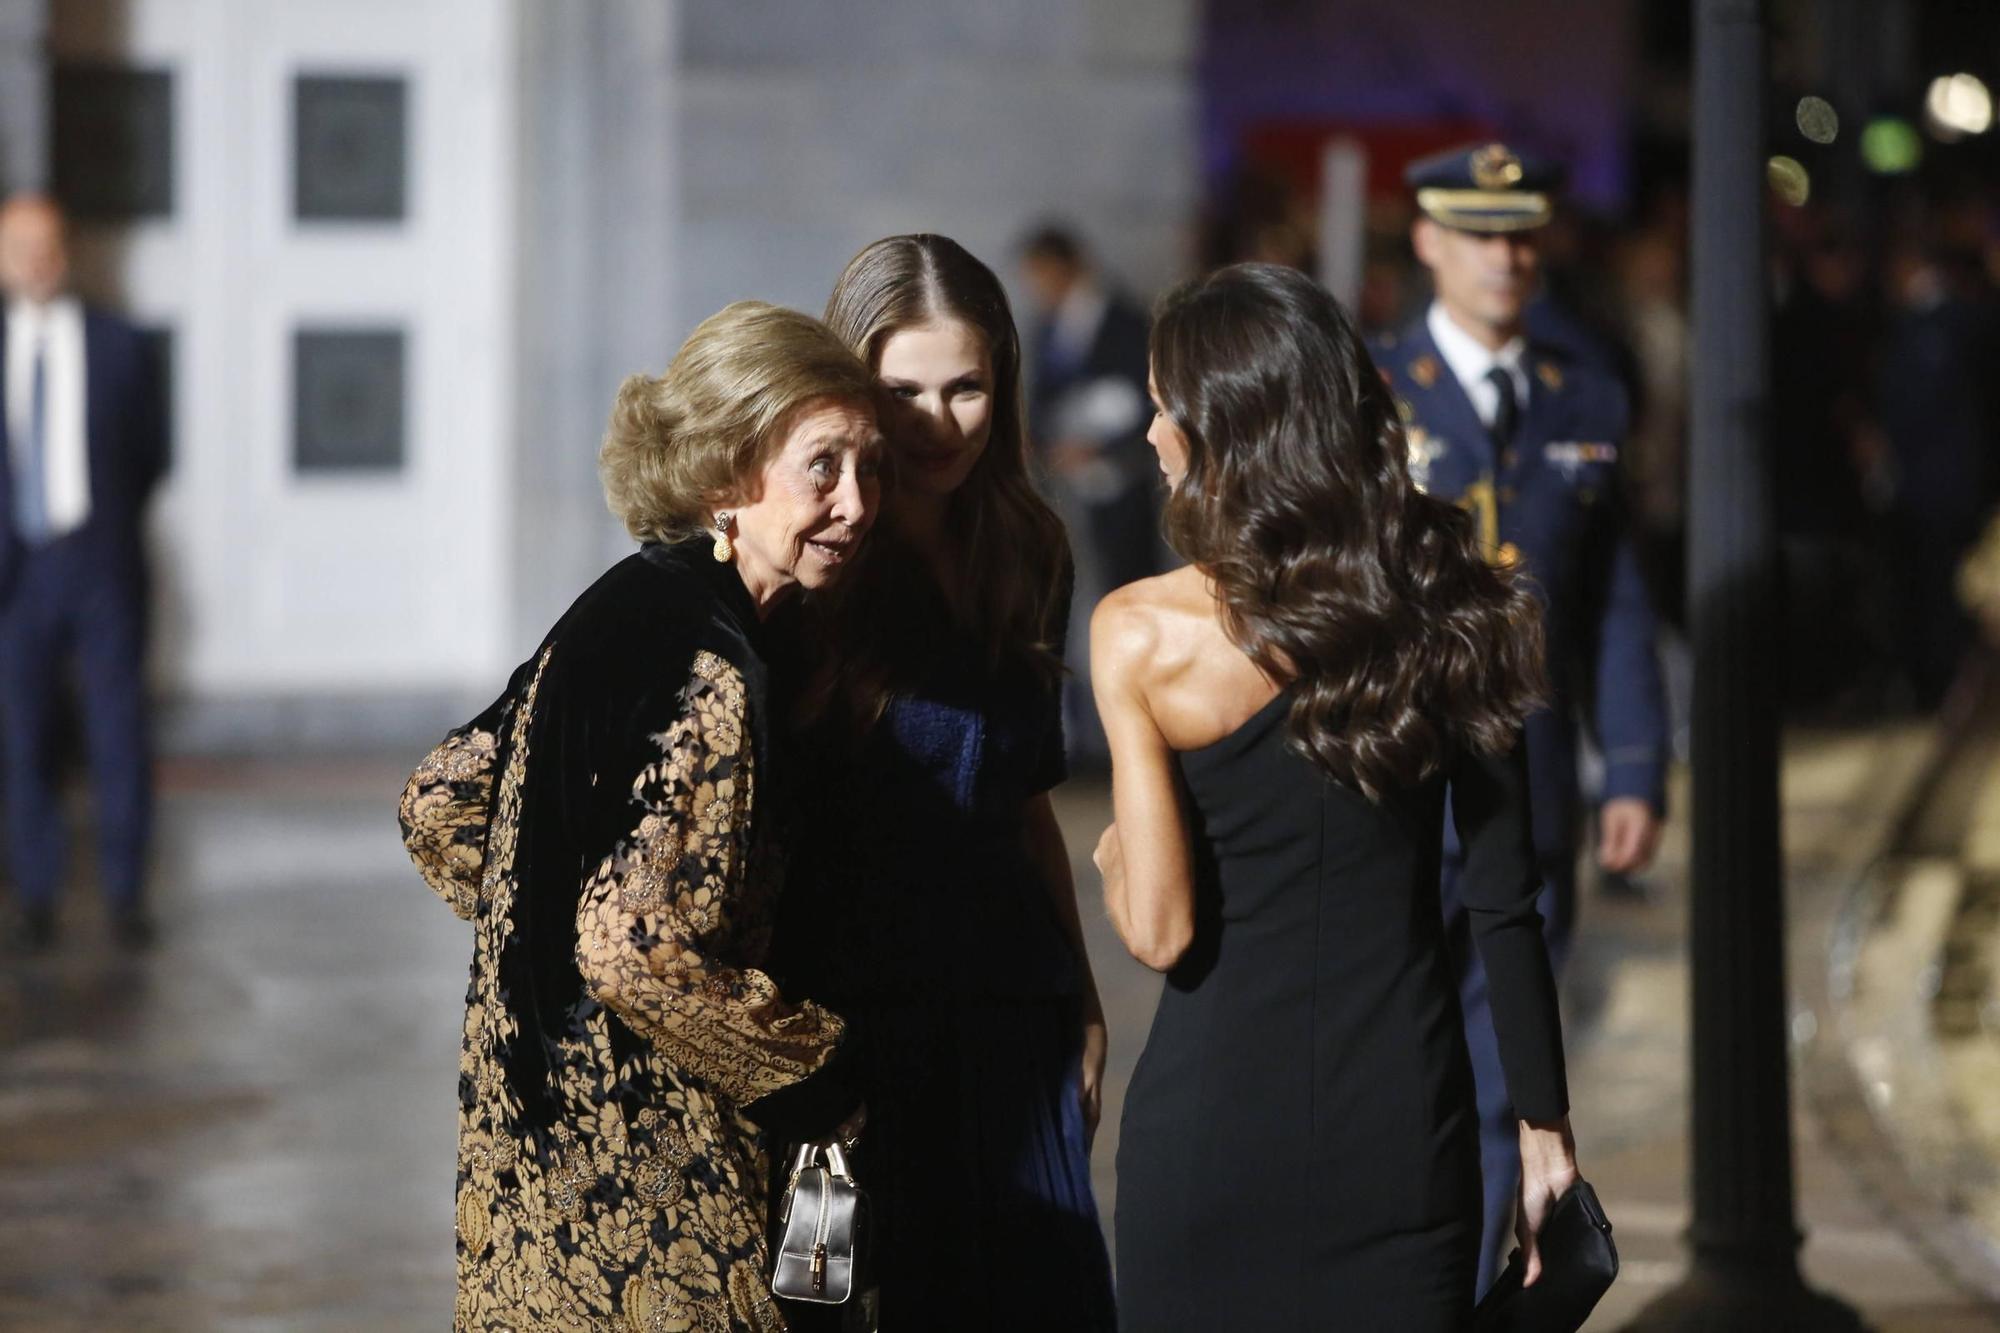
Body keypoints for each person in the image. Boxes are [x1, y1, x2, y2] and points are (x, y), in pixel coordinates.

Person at [1093, 262, 1576, 1330]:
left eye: (1165, 407)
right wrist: (1542, 1127)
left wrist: (1117, 855)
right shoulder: (1460, 599)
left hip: (1207, 1145)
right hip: (1401, 1139)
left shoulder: (1137, 633)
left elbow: (1160, 930)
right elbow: (1505, 903)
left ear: (1225, 430)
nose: (1151, 434)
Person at [398, 301, 881, 1332]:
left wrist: (539, 922)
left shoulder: (620, 603)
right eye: (821, 466)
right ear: (723, 478)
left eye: (868, 467)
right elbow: (628, 950)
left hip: (523, 1168)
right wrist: (812, 1067)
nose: (856, 502)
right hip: (652, 1191)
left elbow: (439, 800)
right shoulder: (716, 667)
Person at [774, 233, 1116, 1330]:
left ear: (1002, 380)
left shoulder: (1030, 549)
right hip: (846, 1034)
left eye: (964, 386)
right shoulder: (813, 564)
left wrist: (1083, 992)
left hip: (1009, 1013)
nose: (934, 421)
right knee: (826, 1305)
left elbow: (1027, 804)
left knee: (1043, 1304)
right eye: (900, 390)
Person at [1377, 142, 1666, 1291]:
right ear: (1427, 241)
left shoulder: (1582, 391)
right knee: (1401, 1062)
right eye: (1480, 233)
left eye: (1522, 233)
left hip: (1532, 785)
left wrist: (1636, 763)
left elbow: (1613, 599)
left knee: (1513, 1076)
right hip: (1395, 787)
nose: (1506, 255)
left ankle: (1465, 1306)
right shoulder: (1370, 393)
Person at [0, 192, 166, 950]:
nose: (35, 256)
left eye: (46, 241)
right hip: (16, 571)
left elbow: (152, 453)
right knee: (21, 731)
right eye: (18, 244)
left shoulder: (120, 343)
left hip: (101, 561)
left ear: (67, 250)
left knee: (117, 729)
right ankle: (36, 892)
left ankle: (126, 892)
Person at [1020, 224, 1158, 766]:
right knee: (1069, 608)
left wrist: (1103, 446)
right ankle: (1076, 736)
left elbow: (1144, 402)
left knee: (1123, 600)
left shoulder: (1128, 320)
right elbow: (1041, 402)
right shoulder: (1046, 325)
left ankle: (1124, 735)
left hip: (1118, 493)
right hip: (1064, 494)